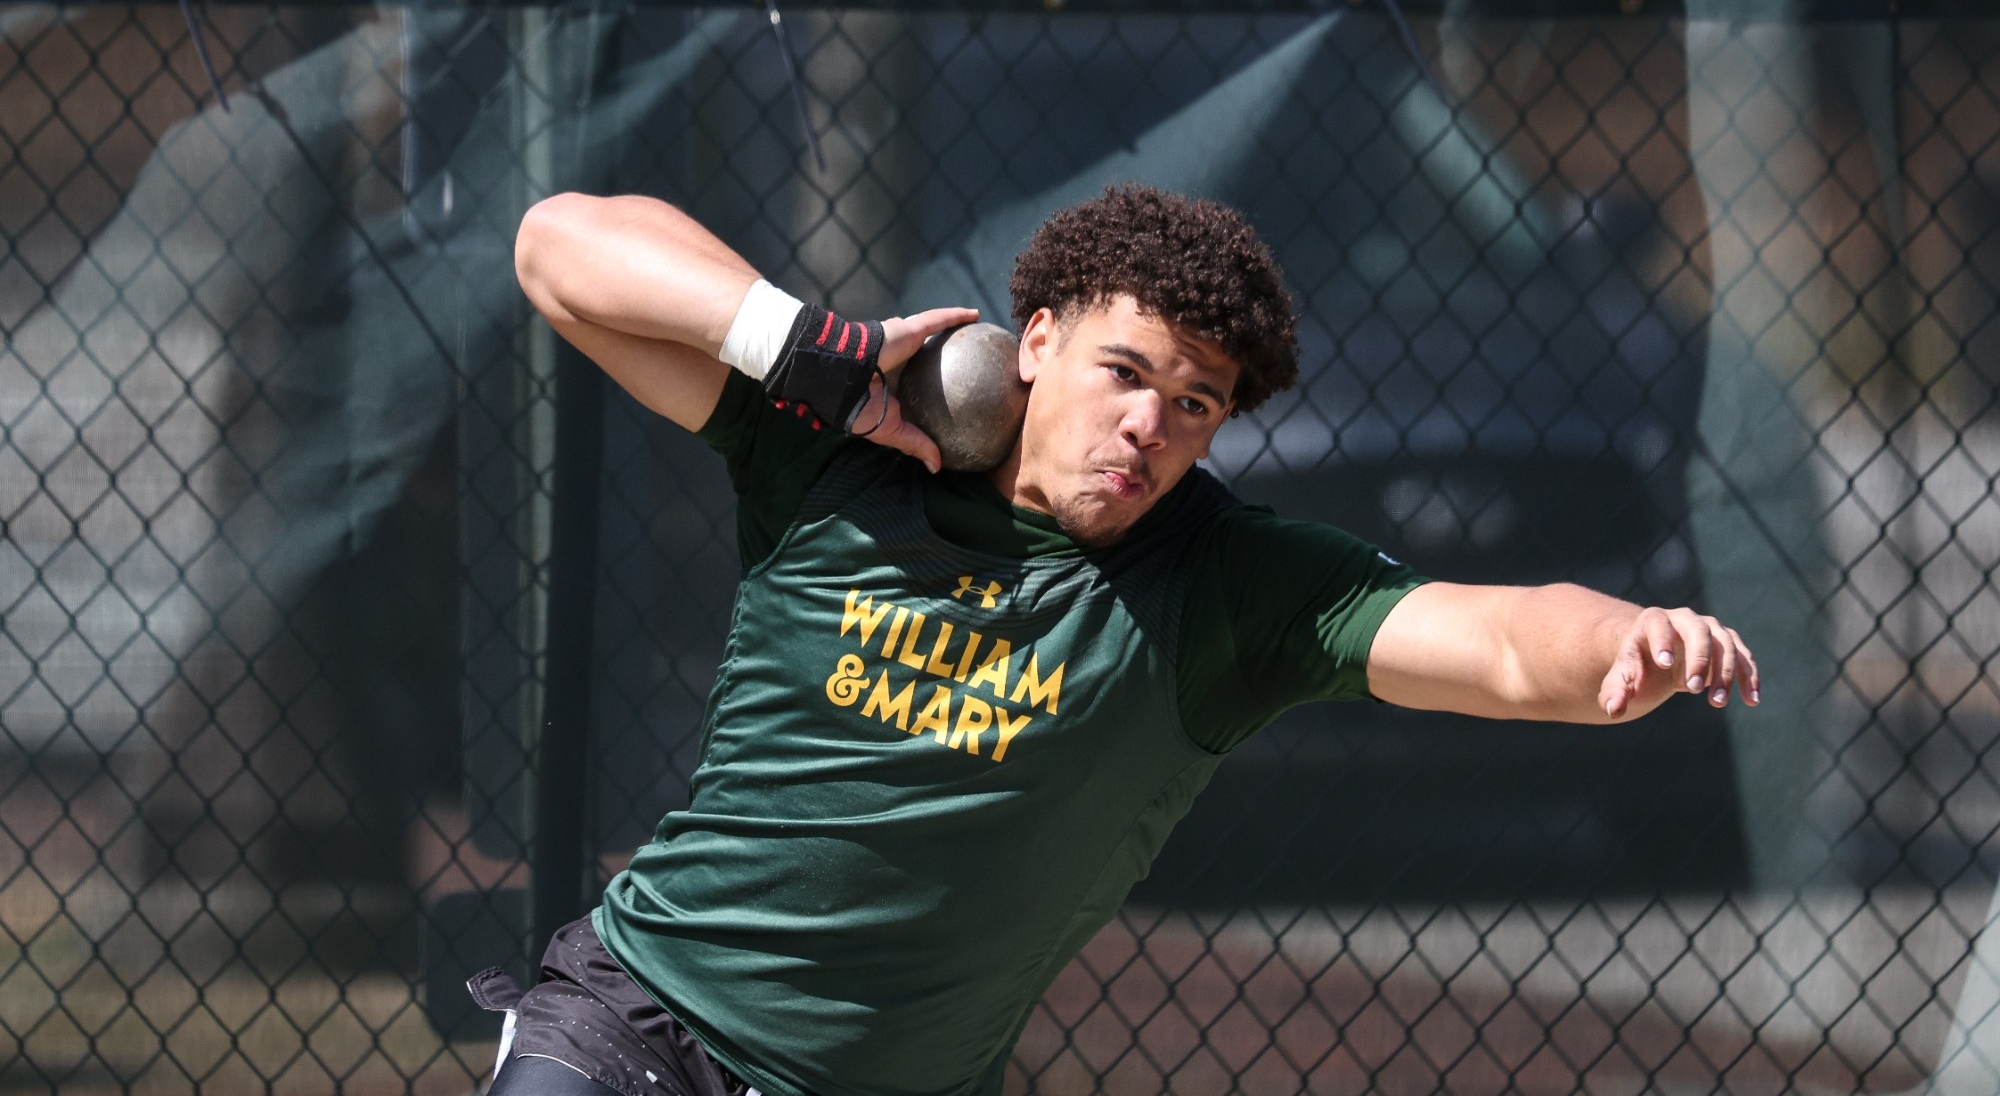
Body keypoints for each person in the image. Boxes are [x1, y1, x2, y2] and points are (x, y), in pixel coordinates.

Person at [489, 184, 1758, 1096]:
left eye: (1194, 403)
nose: (1151, 422)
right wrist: (811, 350)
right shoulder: (840, 451)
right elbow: (560, 244)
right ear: (1031, 342)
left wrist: (1627, 639)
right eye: (1124, 371)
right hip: (639, 1018)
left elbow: (1490, 637)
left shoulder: (1226, 586)